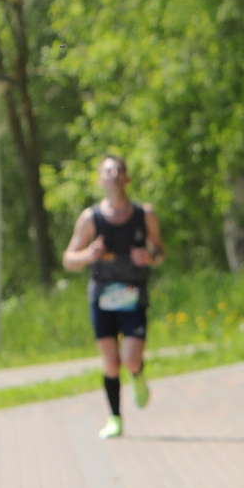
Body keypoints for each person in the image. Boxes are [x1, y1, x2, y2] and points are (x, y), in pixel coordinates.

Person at [61, 153, 162, 440]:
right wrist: (88, 254)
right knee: (110, 362)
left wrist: (149, 257)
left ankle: (138, 373)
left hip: (133, 294)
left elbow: (160, 251)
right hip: (102, 296)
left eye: (119, 170)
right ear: (100, 179)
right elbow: (69, 258)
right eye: (108, 171)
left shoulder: (145, 214)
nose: (114, 175)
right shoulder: (90, 218)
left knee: (129, 358)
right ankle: (115, 418)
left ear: (127, 178)